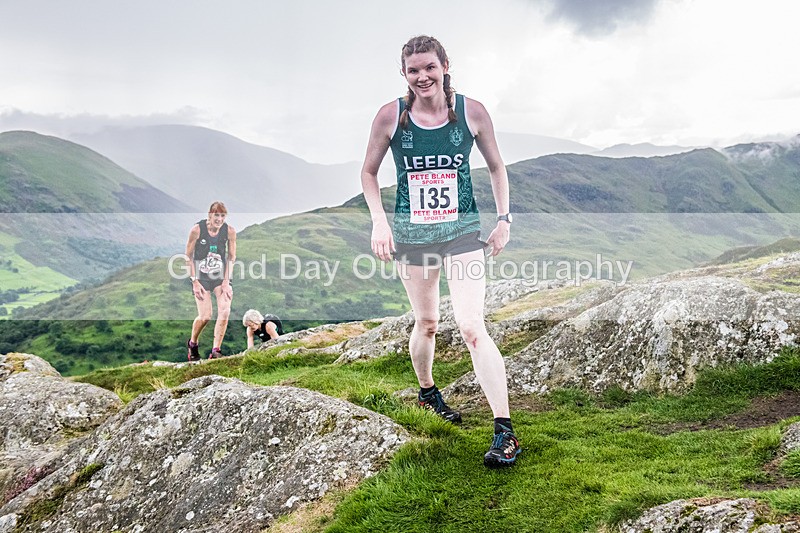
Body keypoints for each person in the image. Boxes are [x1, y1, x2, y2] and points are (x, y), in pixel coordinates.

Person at [361, 35, 520, 467]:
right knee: (427, 322)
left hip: (462, 232)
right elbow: (369, 173)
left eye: (429, 67)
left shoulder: (472, 112)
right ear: (404, 74)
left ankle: (505, 432)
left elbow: (496, 166)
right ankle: (429, 393)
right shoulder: (391, 117)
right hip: (413, 237)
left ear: (445, 65)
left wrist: (503, 220)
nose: (422, 76)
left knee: (471, 326)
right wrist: (379, 221)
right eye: (413, 70)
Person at [185, 201, 237, 360]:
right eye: (216, 215)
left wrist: (227, 282)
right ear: (210, 215)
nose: (219, 219)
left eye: (222, 216)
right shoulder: (197, 230)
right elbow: (188, 256)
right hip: (201, 278)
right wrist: (194, 281)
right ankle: (193, 344)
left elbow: (231, 257)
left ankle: (216, 350)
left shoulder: (229, 231)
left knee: (225, 310)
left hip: (220, 277)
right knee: (205, 316)